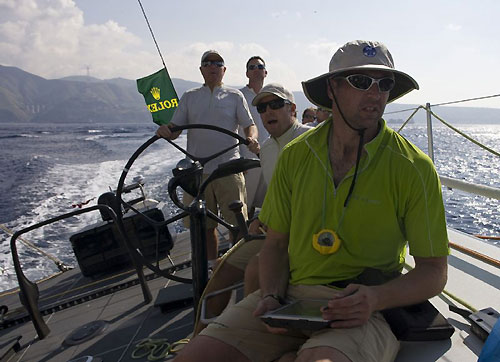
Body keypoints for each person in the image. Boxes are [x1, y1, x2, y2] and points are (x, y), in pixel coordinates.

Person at [175, 40, 449, 362]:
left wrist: (374, 298)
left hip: (366, 309)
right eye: (361, 82)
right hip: (291, 296)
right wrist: (274, 296)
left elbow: (434, 271)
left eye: (384, 83)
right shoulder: (295, 157)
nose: (375, 94)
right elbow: (276, 245)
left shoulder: (413, 167)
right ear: (333, 89)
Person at [194, 83, 311, 334]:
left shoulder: (314, 140)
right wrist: (261, 217)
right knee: (221, 272)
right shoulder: (266, 150)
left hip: (304, 234)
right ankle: (200, 338)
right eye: (261, 107)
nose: (268, 111)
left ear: (292, 109)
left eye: (276, 104)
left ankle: (246, 338)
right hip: (273, 229)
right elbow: (275, 194)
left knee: (255, 269)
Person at [156, 50, 259, 265]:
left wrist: (251, 138)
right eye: (208, 63)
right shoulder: (189, 96)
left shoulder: (234, 96)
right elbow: (176, 129)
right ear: (201, 69)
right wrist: (166, 130)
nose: (213, 66)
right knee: (203, 227)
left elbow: (249, 125)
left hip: (228, 168)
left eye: (217, 62)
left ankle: (238, 266)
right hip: (197, 174)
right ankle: (212, 270)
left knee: (238, 224)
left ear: (224, 69)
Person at [239, 56, 269, 216]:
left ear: (265, 72)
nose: (256, 69)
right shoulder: (239, 96)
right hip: (247, 160)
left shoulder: (272, 95)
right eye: (252, 67)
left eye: (259, 66)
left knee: (274, 204)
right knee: (245, 208)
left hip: (271, 157)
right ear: (247, 73)